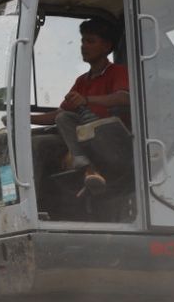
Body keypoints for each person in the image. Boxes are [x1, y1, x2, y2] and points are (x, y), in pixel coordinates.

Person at [32, 17, 129, 193]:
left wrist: (87, 100)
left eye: (90, 41)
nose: (84, 46)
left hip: (112, 139)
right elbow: (59, 114)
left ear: (107, 47)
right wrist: (24, 120)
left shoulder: (117, 72)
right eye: (83, 41)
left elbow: (124, 98)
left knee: (77, 125)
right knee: (42, 141)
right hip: (86, 138)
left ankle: (89, 168)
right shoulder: (82, 81)